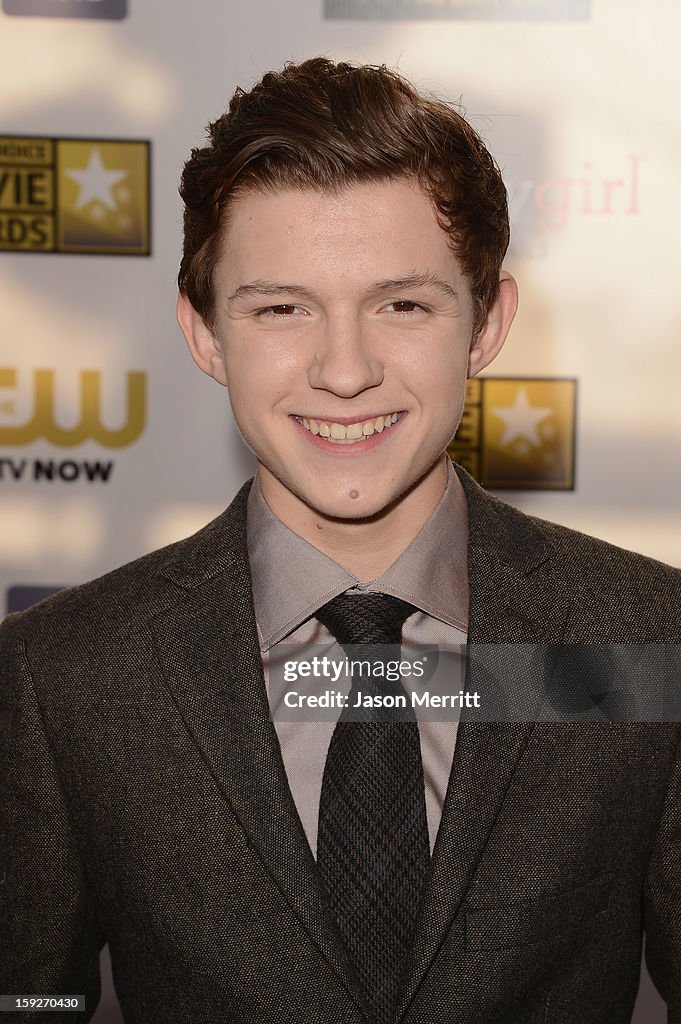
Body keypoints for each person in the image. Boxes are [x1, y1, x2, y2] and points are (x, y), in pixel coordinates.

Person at [1, 57, 680, 1024]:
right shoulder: (62, 674)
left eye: (401, 305)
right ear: (202, 333)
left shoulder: (646, 641)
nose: (345, 370)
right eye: (281, 308)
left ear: (486, 322)